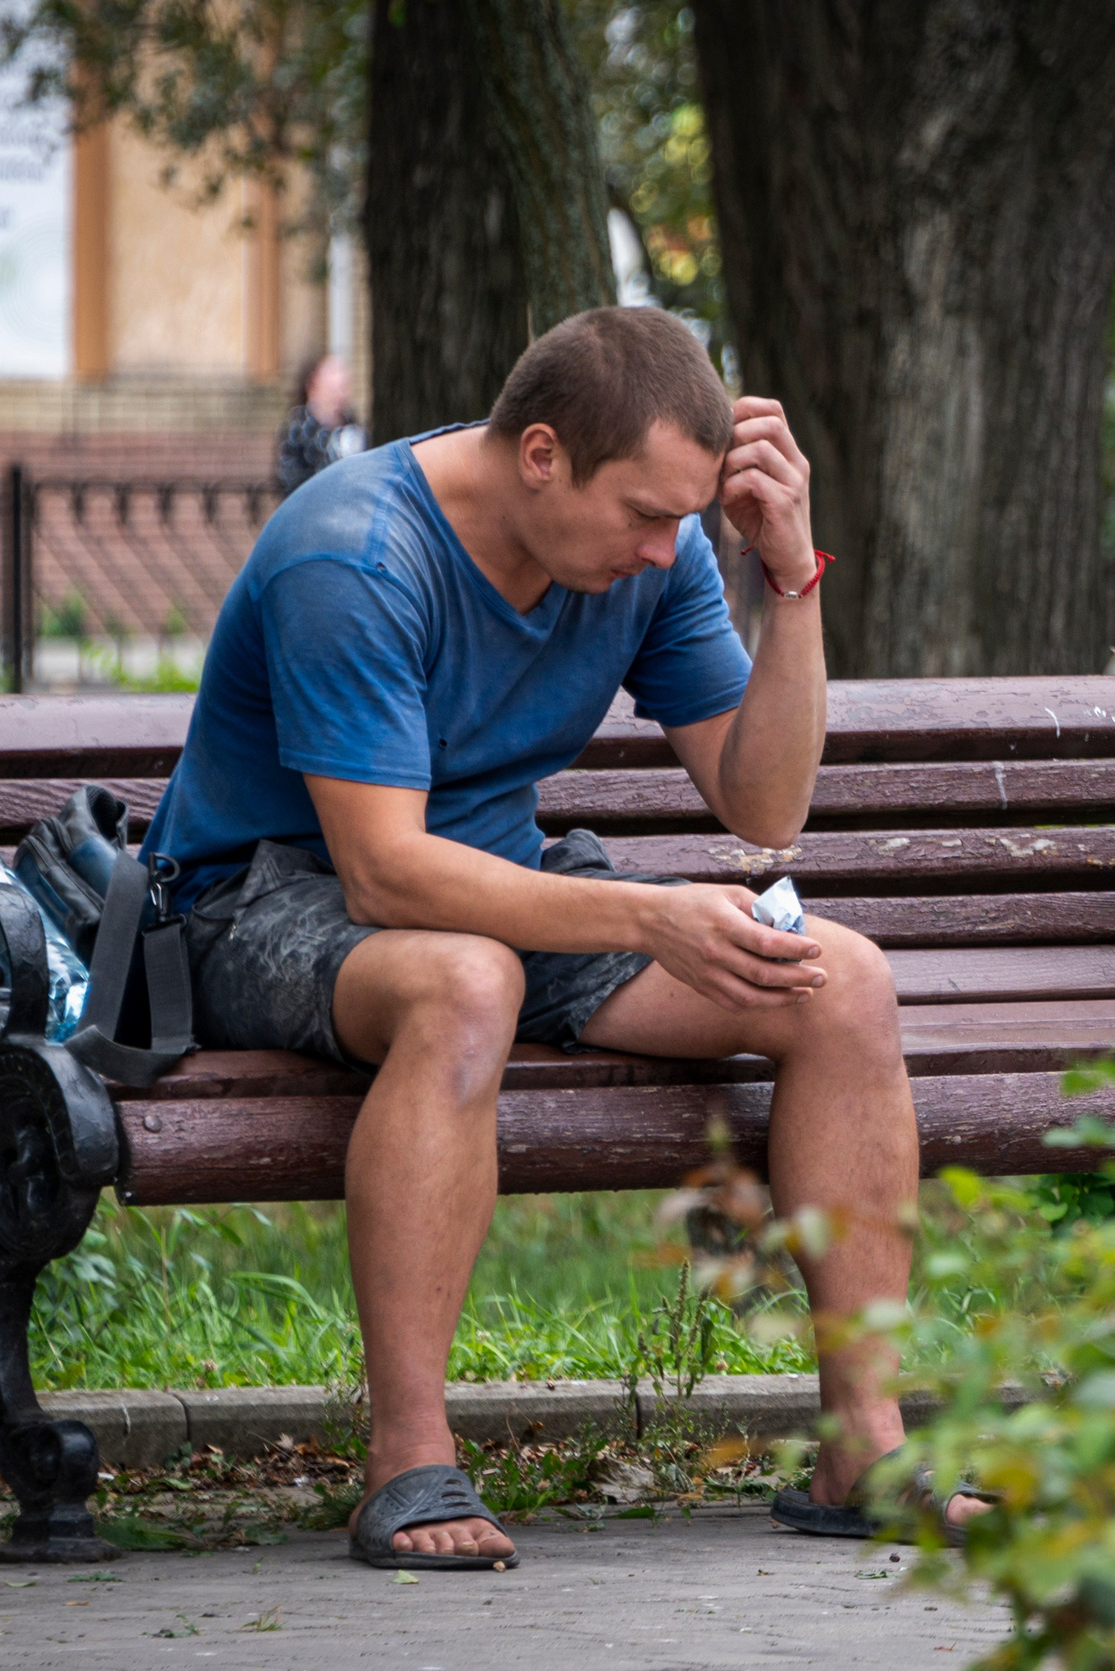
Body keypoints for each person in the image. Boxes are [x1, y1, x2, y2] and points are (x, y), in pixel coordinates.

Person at [145, 308, 978, 1569]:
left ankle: (864, 1440)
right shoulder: (355, 551)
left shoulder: (659, 548)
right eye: (644, 515)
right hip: (258, 896)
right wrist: (650, 913)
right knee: (465, 979)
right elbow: (380, 870)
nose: (661, 548)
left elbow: (764, 807)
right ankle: (410, 1459)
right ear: (541, 453)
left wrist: (791, 578)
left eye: (683, 520)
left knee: (839, 982)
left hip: (492, 881)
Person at [277, 353, 367, 493]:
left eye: (343, 388)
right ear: (313, 385)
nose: (340, 396)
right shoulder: (299, 428)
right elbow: (290, 479)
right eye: (333, 390)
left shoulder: (353, 426)